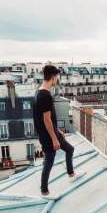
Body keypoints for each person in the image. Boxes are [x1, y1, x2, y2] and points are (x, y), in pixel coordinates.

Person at [33, 64, 83, 197]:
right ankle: (44, 191)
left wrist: (58, 131)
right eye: (57, 77)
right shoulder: (45, 95)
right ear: (53, 78)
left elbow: (48, 119)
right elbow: (46, 120)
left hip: (51, 132)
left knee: (69, 149)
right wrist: (54, 138)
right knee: (49, 161)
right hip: (48, 135)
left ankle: (71, 174)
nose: (57, 80)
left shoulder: (39, 92)